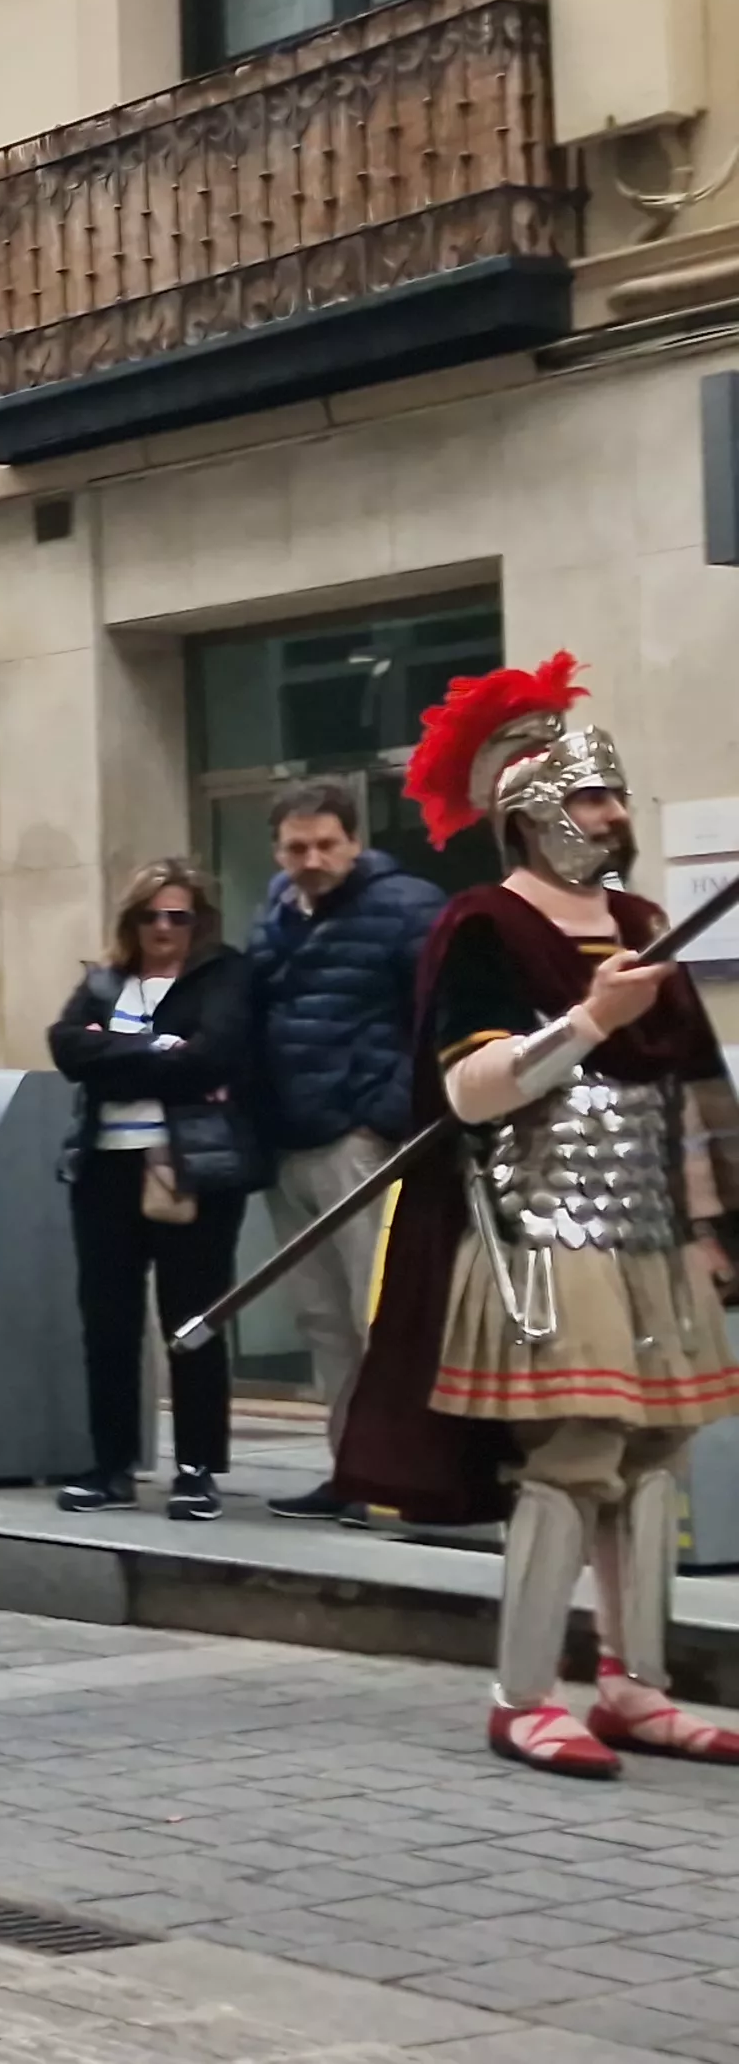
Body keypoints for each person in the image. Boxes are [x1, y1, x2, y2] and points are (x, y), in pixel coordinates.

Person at [335, 654, 739, 1778]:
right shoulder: (484, 926)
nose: (610, 817)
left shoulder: (642, 919)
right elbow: (468, 1090)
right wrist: (587, 1020)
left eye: (613, 797)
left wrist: (713, 1227)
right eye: (589, 798)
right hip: (541, 1233)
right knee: (574, 1452)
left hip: (652, 1233)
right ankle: (522, 1695)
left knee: (653, 1453)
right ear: (530, 810)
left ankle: (636, 1686)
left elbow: (689, 1089)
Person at [247, 781, 448, 1519]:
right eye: (296, 847)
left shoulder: (407, 907)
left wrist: (384, 1117)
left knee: (382, 1317)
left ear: (355, 842)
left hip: (362, 1144)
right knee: (323, 1322)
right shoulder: (275, 912)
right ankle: (351, 1473)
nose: (312, 859)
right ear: (278, 851)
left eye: (326, 844)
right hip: (290, 1142)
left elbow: (440, 1017)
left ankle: (409, 1476)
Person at [50, 861, 265, 1520]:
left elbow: (213, 1056)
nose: (164, 928)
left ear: (200, 920)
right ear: (131, 921)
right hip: (103, 1169)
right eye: (151, 916)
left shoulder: (225, 975)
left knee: (192, 1319)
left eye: (178, 916)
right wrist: (158, 1050)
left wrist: (115, 1052)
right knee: (107, 1322)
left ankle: (197, 1469)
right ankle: (111, 1466)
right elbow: (66, 1049)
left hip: (189, 1166)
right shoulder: (104, 980)